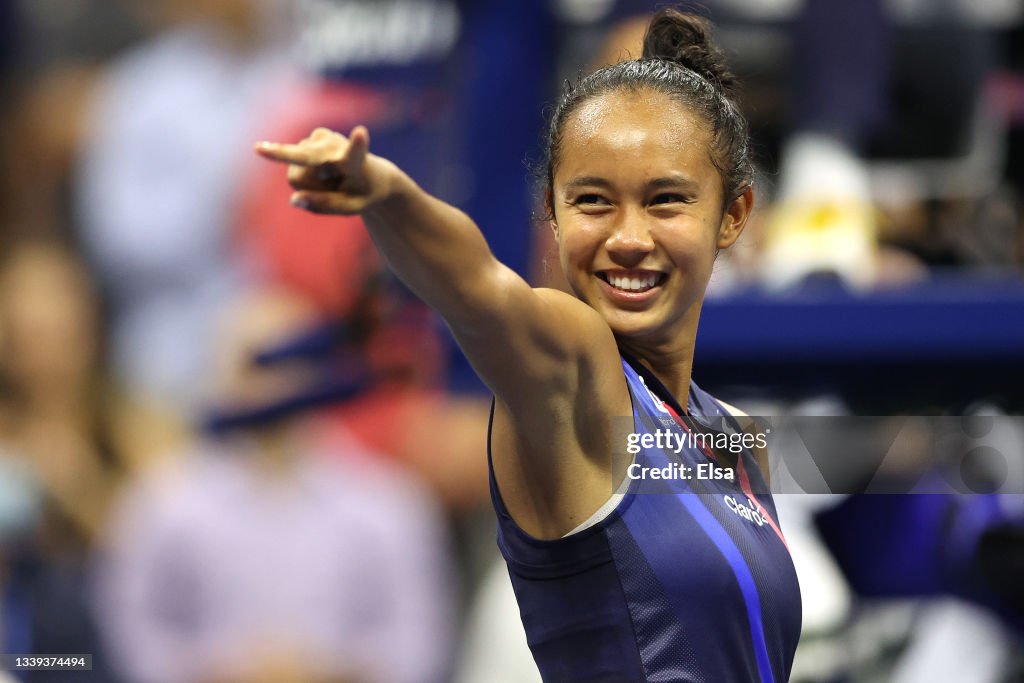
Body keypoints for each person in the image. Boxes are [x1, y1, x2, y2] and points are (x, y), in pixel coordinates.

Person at [257, 8, 801, 681]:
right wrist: (387, 195)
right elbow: (479, 288)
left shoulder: (737, 438)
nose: (629, 237)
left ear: (733, 215)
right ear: (551, 210)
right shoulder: (575, 371)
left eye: (665, 200)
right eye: (593, 200)